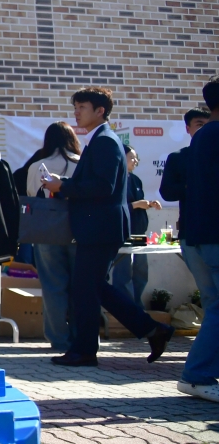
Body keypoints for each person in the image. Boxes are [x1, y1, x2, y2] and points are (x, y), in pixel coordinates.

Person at [41, 87, 174, 367]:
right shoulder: (99, 140)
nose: (76, 112)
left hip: (101, 228)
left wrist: (62, 186)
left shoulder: (105, 141)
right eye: (75, 107)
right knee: (93, 288)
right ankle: (151, 330)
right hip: (98, 227)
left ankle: (87, 350)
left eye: (82, 107)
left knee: (86, 289)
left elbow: (104, 186)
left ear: (100, 110)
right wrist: (62, 184)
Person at [177, 76, 219, 402]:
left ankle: (199, 374)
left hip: (196, 237)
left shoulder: (201, 137)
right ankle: (198, 374)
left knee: (214, 307)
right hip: (213, 237)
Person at [24, 121, 81, 354]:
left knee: (52, 286)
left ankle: (59, 340)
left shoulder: (37, 165)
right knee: (81, 287)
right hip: (79, 229)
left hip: (47, 231)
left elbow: (31, 195)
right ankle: (82, 337)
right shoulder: (82, 164)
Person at [112, 144, 161, 310]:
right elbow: (115, 208)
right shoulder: (115, 179)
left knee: (140, 272)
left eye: (136, 158)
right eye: (131, 157)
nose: (135, 161)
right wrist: (136, 205)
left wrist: (148, 204)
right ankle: (125, 309)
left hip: (139, 233)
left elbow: (139, 203)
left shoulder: (135, 180)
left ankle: (136, 306)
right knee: (123, 272)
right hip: (122, 233)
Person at [159, 107, 210, 234]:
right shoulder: (177, 157)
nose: (204, 129)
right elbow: (166, 192)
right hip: (190, 229)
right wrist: (190, 186)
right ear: (188, 129)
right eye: (199, 124)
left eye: (209, 125)